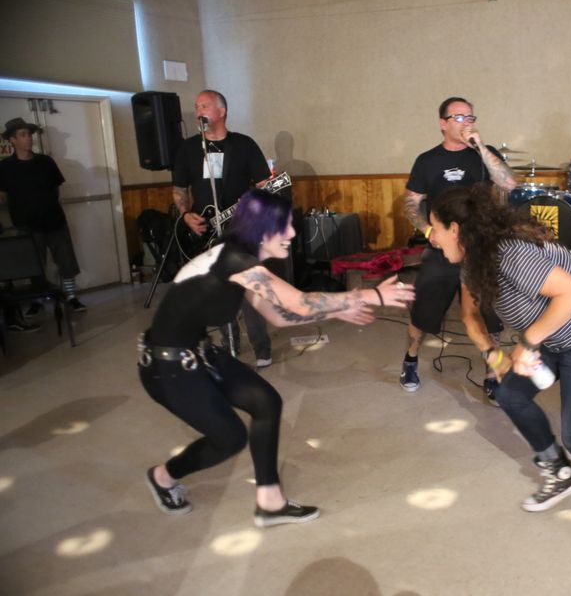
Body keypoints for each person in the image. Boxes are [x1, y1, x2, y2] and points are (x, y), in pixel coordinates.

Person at [140, 188, 414, 526]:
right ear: (261, 228)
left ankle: (270, 502)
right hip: (166, 367)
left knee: (265, 401)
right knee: (229, 439)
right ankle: (163, 476)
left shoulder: (241, 260)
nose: (293, 233)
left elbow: (280, 316)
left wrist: (336, 311)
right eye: (284, 226)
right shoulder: (234, 260)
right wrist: (371, 295)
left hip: (197, 353)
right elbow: (300, 302)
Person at [429, 185, 571, 541]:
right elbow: (470, 315)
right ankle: (560, 471)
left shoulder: (509, 252)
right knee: (510, 394)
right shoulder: (475, 259)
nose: (431, 238)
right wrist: (494, 355)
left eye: (435, 228)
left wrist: (526, 343)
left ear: (455, 229)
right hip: (554, 333)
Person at [399, 97, 517, 402]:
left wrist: (482, 148)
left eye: (471, 117)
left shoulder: (483, 155)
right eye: (460, 117)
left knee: (488, 314)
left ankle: (491, 373)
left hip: (478, 248)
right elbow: (410, 203)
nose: (467, 123)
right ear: (443, 123)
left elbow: (509, 184)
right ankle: (410, 358)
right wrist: (428, 231)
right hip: (442, 247)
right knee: (424, 310)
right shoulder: (427, 160)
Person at [172, 89, 276, 368]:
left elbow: (265, 184)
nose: (199, 111)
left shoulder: (243, 145)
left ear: (222, 111)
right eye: (196, 107)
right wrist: (186, 214)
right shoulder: (188, 148)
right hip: (205, 231)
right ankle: (229, 343)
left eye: (205, 106)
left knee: (250, 285)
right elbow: (179, 189)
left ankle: (261, 347)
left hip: (242, 228)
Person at [0, 117, 87, 318]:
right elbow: (3, 196)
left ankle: (71, 297)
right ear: (13, 140)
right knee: (34, 265)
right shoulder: (5, 167)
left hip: (54, 221)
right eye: (23, 135)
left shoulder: (46, 162)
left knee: (66, 261)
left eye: (29, 134)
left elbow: (55, 190)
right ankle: (37, 301)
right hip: (26, 225)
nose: (29, 138)